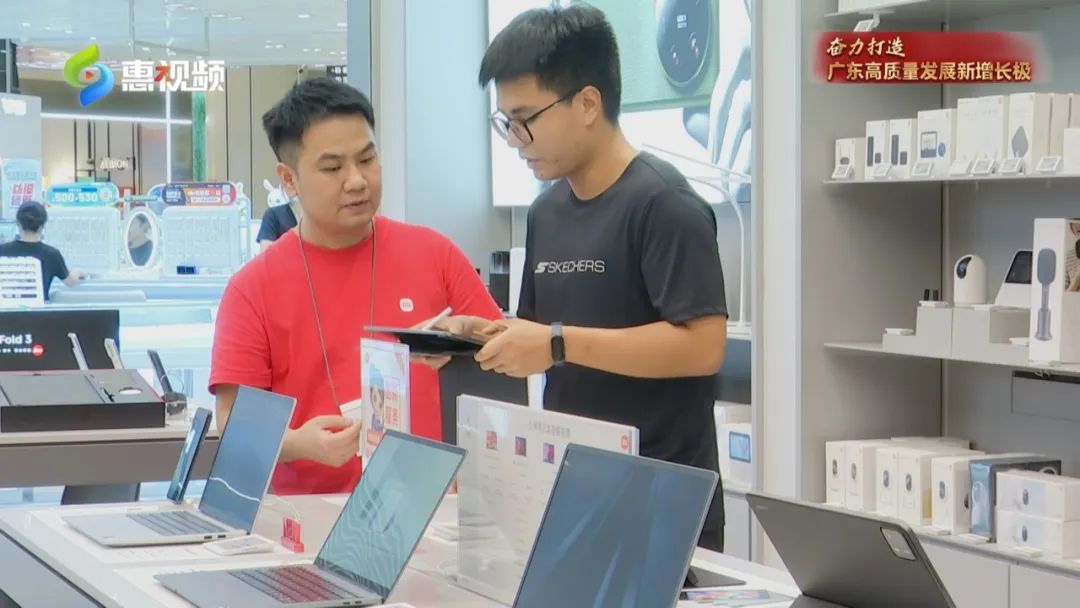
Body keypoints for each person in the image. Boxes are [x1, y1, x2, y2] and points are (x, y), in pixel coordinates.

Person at [458, 5, 730, 551]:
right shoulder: (546, 212)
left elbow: (703, 346)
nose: (514, 139)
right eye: (505, 122)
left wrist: (557, 343)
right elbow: (541, 335)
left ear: (587, 103)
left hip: (663, 505)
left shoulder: (664, 203)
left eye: (526, 118)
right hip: (574, 493)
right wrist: (474, 338)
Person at [210, 77, 502, 496]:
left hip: (435, 506)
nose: (357, 181)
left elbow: (502, 358)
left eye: (367, 159)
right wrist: (300, 444)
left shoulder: (434, 254)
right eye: (332, 168)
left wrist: (467, 342)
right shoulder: (252, 288)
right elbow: (231, 422)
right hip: (314, 512)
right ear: (289, 179)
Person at [0, 201, 86, 300]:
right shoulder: (52, 254)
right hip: (39, 309)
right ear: (42, 226)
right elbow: (70, 282)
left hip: (6, 309)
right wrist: (78, 272)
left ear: (18, 223)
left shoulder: (2, 250)